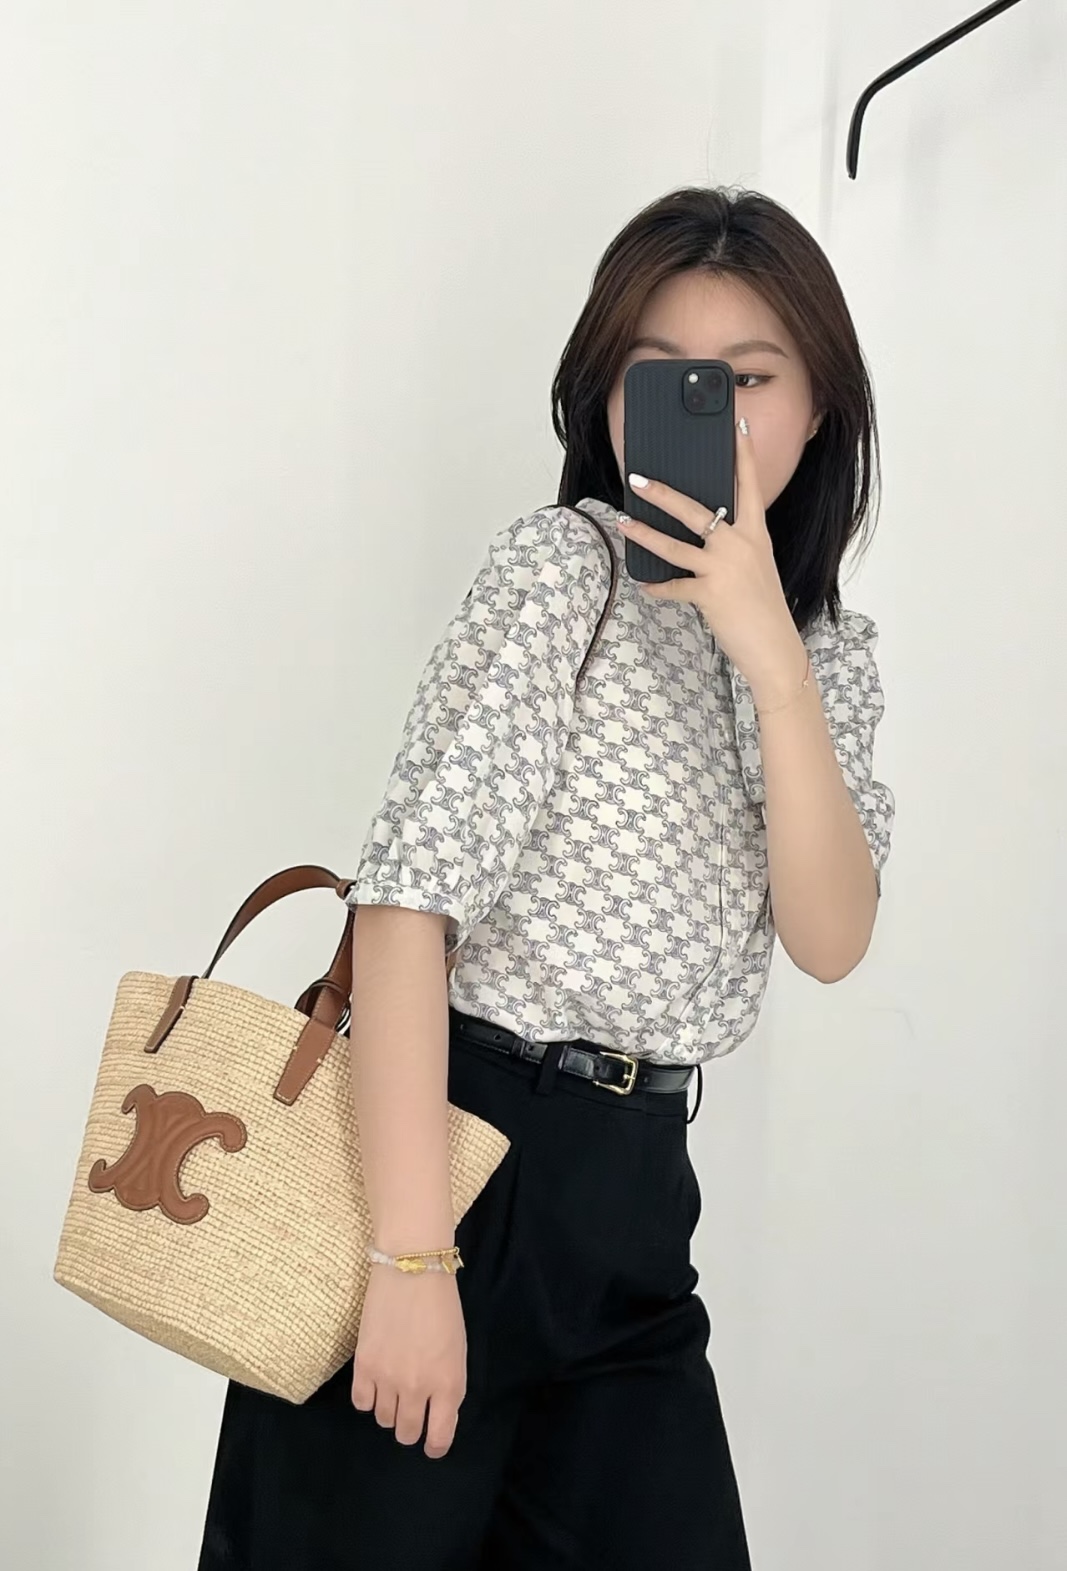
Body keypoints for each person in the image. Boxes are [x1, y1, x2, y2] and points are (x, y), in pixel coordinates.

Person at [197, 184, 895, 1570]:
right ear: (609, 396)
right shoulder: (561, 574)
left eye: (751, 376)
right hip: (445, 1152)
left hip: (635, 1210)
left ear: (821, 405)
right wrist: (409, 1259)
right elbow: (407, 910)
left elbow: (831, 937)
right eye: (665, 375)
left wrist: (771, 657)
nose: (712, 410)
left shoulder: (828, 655)